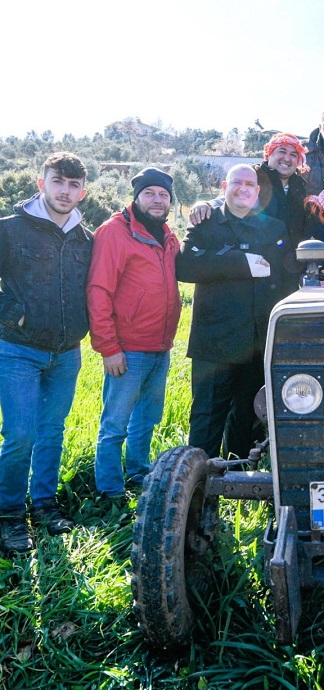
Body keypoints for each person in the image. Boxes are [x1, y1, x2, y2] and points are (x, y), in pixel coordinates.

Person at [0, 152, 91, 552]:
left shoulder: (86, 239)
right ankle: (8, 516)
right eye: (58, 181)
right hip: (17, 351)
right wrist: (11, 313)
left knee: (52, 432)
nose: (65, 191)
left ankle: (44, 505)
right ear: (42, 184)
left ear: (82, 192)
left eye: (73, 185)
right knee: (20, 434)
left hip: (67, 353)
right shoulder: (10, 230)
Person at [177, 164, 291, 460]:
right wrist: (240, 262)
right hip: (214, 341)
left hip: (256, 342)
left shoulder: (274, 228)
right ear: (224, 186)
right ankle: (199, 490)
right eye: (236, 182)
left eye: (249, 184)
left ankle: (238, 481)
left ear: (257, 191)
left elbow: (284, 278)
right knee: (207, 417)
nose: (243, 188)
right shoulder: (207, 222)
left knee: (245, 417)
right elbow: (185, 265)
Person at [87, 168, 181, 499]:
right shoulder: (114, 232)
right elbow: (98, 291)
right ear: (136, 197)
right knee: (115, 424)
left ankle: (138, 474)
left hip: (160, 347)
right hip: (128, 349)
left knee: (146, 420)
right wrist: (108, 347)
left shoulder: (167, 235)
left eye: (164, 195)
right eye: (150, 193)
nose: (157, 200)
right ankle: (109, 491)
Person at [191, 132, 309, 245]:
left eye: (293, 155)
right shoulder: (254, 175)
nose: (287, 158)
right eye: (282, 151)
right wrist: (205, 204)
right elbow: (228, 197)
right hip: (255, 256)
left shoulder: (301, 186)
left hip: (289, 259)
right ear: (269, 154)